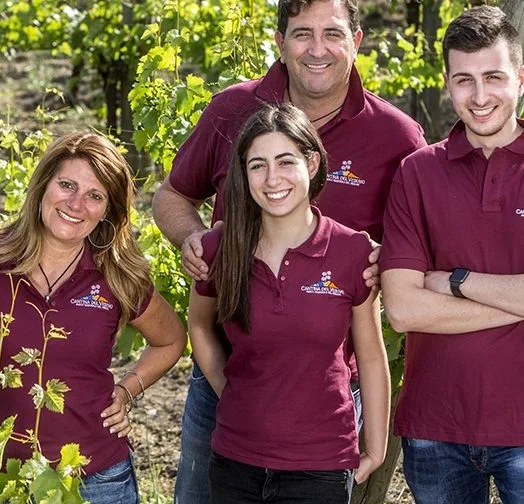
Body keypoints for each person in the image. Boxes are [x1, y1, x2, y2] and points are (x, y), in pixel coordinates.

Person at [152, 1, 425, 500]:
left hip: (324, 386)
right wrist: (191, 237)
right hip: (227, 371)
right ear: (280, 41)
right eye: (302, 34)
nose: (317, 49)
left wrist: (385, 262)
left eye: (332, 33)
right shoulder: (231, 109)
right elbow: (172, 196)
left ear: (357, 40)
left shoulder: (396, 137)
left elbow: (420, 242)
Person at [378, 6, 524, 503]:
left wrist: (456, 280)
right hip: (436, 425)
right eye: (464, 80)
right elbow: (403, 309)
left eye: (494, 77)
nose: (480, 97)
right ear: (447, 83)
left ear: (520, 78)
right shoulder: (417, 173)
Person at [0, 132, 187, 503]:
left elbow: (171, 339)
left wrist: (126, 391)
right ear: (44, 185)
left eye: (95, 195)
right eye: (67, 185)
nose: (76, 203)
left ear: (108, 210)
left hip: (97, 481)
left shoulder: (116, 274)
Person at [188, 103, 390, 503]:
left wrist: (376, 445)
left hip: (320, 465)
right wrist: (229, 391)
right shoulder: (219, 249)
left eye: (285, 161)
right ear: (243, 176)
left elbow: (369, 356)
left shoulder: (351, 251)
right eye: (257, 165)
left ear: (311, 163)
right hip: (234, 461)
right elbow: (198, 325)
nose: (272, 178)